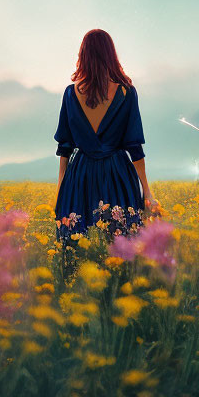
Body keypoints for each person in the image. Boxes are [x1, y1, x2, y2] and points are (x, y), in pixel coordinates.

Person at [53, 29, 159, 242]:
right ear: (111, 55)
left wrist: (60, 191)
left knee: (76, 243)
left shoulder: (70, 93)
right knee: (122, 242)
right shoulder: (127, 92)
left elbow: (65, 148)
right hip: (117, 175)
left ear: (83, 55)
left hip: (79, 178)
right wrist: (148, 192)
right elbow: (134, 147)